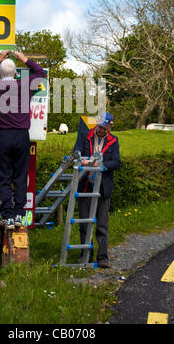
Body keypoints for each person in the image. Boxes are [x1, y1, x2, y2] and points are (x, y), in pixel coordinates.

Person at [0, 50, 45, 230]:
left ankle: (7, 216)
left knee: (4, 176)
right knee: (20, 176)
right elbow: (40, 73)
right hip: (22, 135)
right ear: (16, 73)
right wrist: (24, 59)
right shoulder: (24, 85)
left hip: (2, 136)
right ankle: (19, 215)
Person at [73, 112, 120, 268]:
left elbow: (116, 162)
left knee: (102, 224)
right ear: (97, 125)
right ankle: (85, 255)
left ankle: (102, 257)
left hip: (103, 186)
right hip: (85, 184)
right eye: (100, 127)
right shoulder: (84, 136)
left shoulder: (114, 141)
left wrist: (103, 166)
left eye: (105, 128)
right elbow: (76, 153)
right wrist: (82, 159)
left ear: (109, 128)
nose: (102, 130)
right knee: (85, 222)